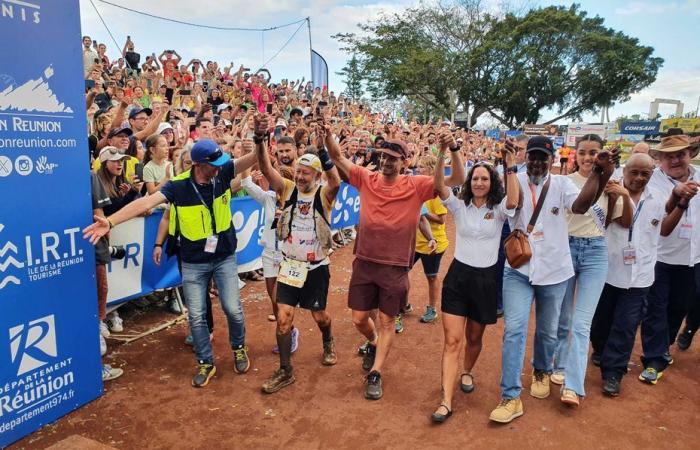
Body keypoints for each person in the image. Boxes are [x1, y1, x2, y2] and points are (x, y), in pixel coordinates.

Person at [84, 137, 260, 388]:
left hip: (223, 257)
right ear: (199, 164)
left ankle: (239, 347)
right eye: (214, 163)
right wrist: (110, 222)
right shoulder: (178, 186)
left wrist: (260, 140)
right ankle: (205, 362)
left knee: (232, 308)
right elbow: (145, 202)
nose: (220, 166)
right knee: (197, 316)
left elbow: (252, 158)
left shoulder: (222, 173)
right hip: (193, 262)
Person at [489, 135, 617, 424]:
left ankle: (541, 369)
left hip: (555, 273)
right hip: (519, 270)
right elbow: (511, 205)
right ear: (526, 158)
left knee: (547, 332)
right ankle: (510, 396)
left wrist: (598, 172)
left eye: (542, 157)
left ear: (552, 159)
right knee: (514, 331)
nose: (536, 161)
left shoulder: (562, 185)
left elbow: (582, 206)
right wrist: (509, 166)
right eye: (532, 156)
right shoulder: (515, 178)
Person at [327, 130, 463, 400]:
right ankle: (374, 342)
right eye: (383, 157)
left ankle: (376, 371)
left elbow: (457, 179)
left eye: (392, 158)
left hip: (395, 265)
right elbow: (337, 156)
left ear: (404, 161)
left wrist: (452, 151)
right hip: (364, 261)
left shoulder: (417, 185)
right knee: (359, 318)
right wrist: (328, 134)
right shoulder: (367, 178)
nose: (386, 162)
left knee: (388, 321)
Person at [430, 140, 519, 423]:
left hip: (486, 280)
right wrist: (442, 153)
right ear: (470, 181)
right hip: (458, 278)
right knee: (452, 341)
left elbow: (514, 200)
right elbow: (438, 185)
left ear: (492, 182)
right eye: (476, 178)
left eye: (485, 178)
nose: (479, 182)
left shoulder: (502, 207)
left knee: (474, 338)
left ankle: (467, 370)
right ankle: (446, 400)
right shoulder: (459, 206)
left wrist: (510, 163)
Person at [254, 119, 341, 393]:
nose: (301, 177)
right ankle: (285, 370)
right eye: (299, 172)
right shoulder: (287, 190)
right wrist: (259, 139)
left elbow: (336, 180)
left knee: (320, 316)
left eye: (307, 173)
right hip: (290, 267)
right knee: (283, 318)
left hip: (316, 268)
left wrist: (325, 150)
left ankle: (328, 340)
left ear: (316, 176)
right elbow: (267, 169)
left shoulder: (324, 195)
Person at [590, 153, 680, 396]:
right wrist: (619, 197)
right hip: (607, 269)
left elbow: (663, 230)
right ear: (625, 170)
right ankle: (599, 348)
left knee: (627, 324)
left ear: (652, 175)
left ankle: (613, 372)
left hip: (640, 274)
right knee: (601, 320)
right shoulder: (609, 191)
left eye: (645, 174)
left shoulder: (658, 198)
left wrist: (680, 204)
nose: (639, 178)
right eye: (634, 172)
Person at [550, 135, 630, 406]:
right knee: (563, 317)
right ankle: (559, 365)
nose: (587, 157)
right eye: (582, 152)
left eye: (593, 152)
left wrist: (621, 195)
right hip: (566, 248)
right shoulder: (563, 182)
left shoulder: (612, 185)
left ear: (601, 155)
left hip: (596, 252)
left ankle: (573, 385)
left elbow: (619, 222)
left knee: (581, 324)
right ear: (575, 155)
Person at [639, 133, 700, 384]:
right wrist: (678, 197)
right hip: (660, 256)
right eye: (670, 156)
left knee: (679, 306)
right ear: (661, 160)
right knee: (656, 308)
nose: (676, 161)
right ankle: (653, 358)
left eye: (681, 155)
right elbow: (662, 223)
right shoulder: (652, 183)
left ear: (690, 155)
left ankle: (664, 345)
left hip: (693, 257)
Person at [412, 155, 449, 324]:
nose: (417, 170)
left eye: (421, 167)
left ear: (431, 170)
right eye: (417, 167)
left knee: (431, 277)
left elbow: (442, 219)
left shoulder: (436, 192)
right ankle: (403, 304)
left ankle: (432, 309)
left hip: (433, 243)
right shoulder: (416, 188)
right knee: (401, 273)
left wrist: (424, 212)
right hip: (413, 242)